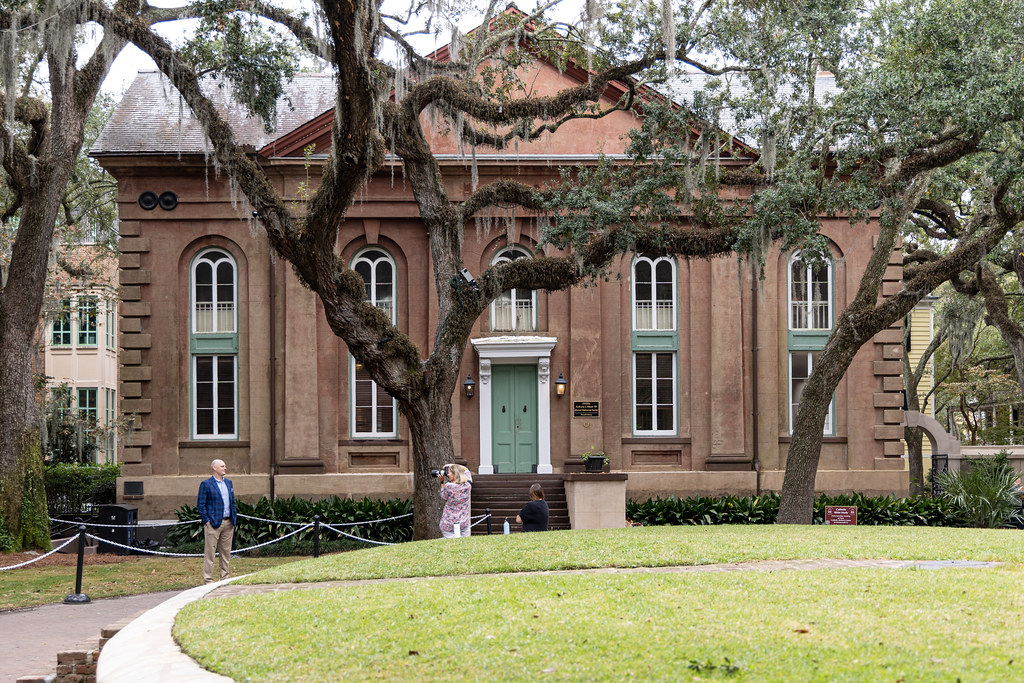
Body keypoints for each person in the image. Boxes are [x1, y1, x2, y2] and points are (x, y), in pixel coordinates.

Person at [197, 459, 237, 583]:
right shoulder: (206, 484)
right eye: (222, 466)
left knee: (226, 553)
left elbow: (232, 502)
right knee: (210, 553)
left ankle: (224, 579)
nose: (225, 468)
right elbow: (201, 504)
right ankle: (208, 580)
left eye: (225, 466)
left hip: (228, 523)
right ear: (214, 468)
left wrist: (233, 519)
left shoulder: (229, 483)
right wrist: (206, 521)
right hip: (213, 524)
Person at [438, 464, 471, 538]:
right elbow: (466, 470)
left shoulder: (448, 486)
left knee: (450, 544)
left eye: (449, 472)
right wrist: (452, 465)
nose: (448, 474)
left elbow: (443, 497)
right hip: (464, 522)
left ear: (455, 474)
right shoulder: (468, 485)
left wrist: (442, 482)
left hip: (448, 522)